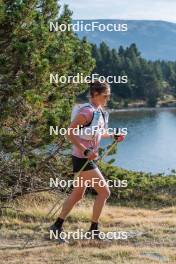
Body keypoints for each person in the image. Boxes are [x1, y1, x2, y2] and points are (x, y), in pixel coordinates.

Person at [50, 81, 125, 243]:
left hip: (87, 158)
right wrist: (85, 150)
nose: (108, 98)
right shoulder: (86, 112)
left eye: (109, 95)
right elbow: (69, 133)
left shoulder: (100, 112)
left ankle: (57, 226)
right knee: (105, 192)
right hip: (82, 158)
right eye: (105, 95)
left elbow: (99, 133)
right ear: (95, 94)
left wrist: (113, 135)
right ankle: (93, 229)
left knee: (78, 194)